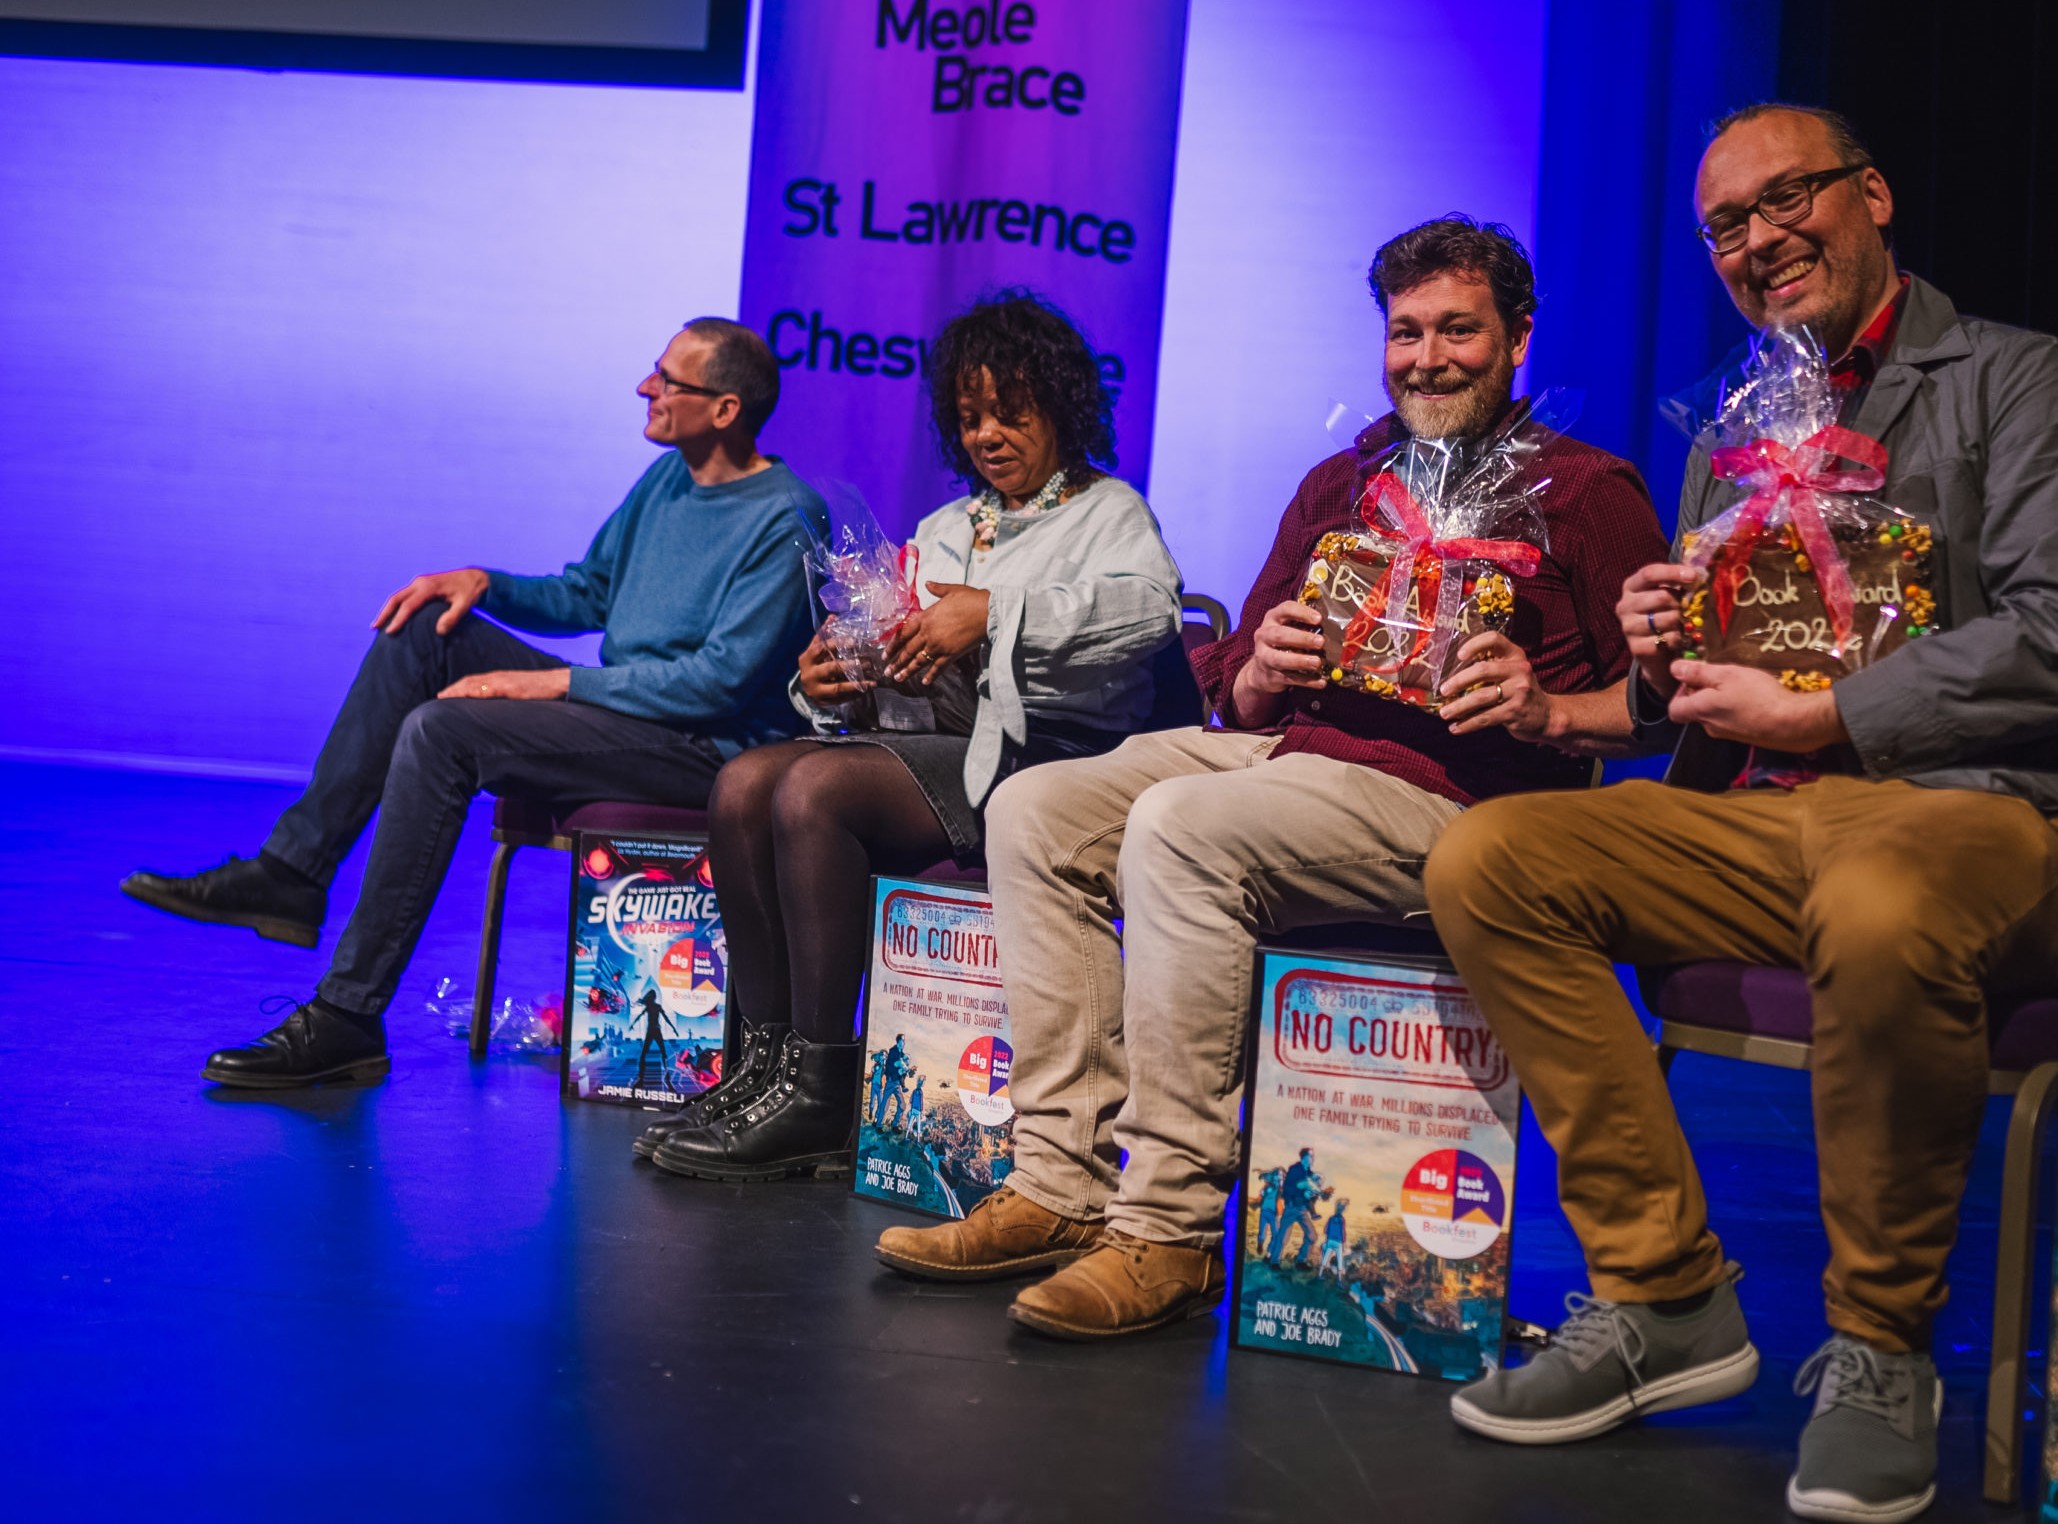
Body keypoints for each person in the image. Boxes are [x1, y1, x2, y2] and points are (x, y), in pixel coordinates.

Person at [1424, 104, 2058, 1522]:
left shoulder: (2011, 376)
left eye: (1787, 198)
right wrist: (1658, 647)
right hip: (1764, 820)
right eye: (1726, 226)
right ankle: (1662, 1295)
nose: (1759, 239)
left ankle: (1880, 1351)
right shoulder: (1734, 425)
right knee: (1490, 854)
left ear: (1871, 195)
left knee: (1879, 897)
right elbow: (1702, 693)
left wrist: (1838, 714)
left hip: (1984, 817)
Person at [871, 216, 1669, 1337]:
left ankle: (1169, 1227)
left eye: (1457, 330)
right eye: (1405, 333)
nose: (1427, 358)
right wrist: (1262, 666)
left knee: (1182, 825)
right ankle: (1061, 1183)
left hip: (1461, 798)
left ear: (1518, 337)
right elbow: (1235, 682)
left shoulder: (1585, 491)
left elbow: (1664, 702)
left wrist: (1551, 710)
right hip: (1291, 756)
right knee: (1038, 806)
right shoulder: (1343, 481)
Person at [125, 319, 823, 1089]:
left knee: (442, 732)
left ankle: (348, 1013)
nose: (644, 387)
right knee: (426, 630)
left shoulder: (786, 516)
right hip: (627, 712)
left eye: (666, 380)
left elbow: (718, 684)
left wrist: (551, 683)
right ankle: (291, 873)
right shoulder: (667, 480)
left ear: (724, 409)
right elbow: (587, 592)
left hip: (703, 749)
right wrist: (482, 584)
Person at [640, 290, 1183, 1181]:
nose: (987, 436)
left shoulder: (1109, 511)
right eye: (969, 418)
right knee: (744, 781)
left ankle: (822, 1090)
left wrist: (994, 613)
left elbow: (1151, 614)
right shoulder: (945, 528)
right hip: (945, 749)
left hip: (1052, 761)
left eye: (1011, 412)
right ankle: (763, 1070)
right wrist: (832, 682)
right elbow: (894, 673)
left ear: (1060, 406)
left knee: (815, 791)